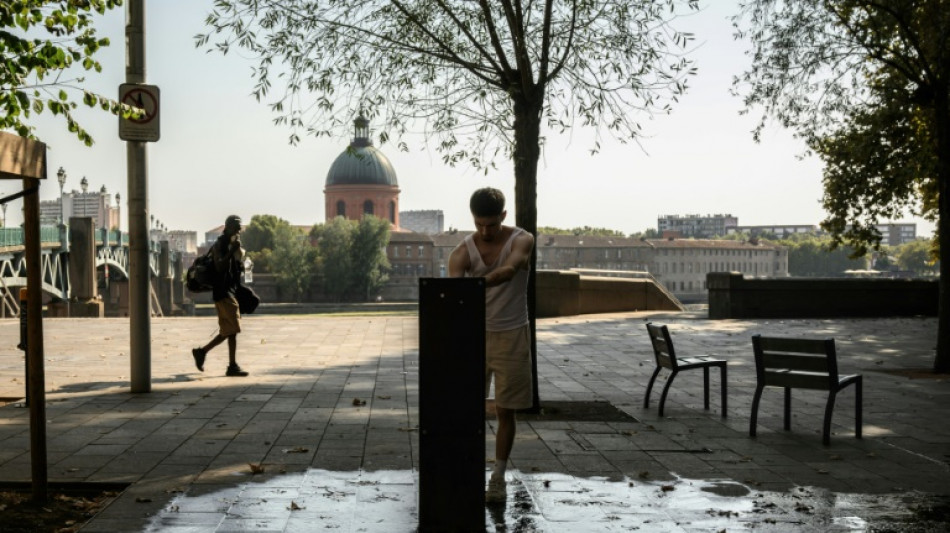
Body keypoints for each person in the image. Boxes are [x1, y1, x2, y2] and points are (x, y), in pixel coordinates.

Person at [448, 187, 535, 503]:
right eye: (479, 224)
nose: (485, 231)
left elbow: (510, 270)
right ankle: (467, 471)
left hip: (512, 334)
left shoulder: (522, 240)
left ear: (503, 217)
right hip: (475, 336)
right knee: (466, 410)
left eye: (491, 225)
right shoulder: (461, 252)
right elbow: (454, 301)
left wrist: (474, 286)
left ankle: (497, 477)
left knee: (505, 411)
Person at [192, 215, 249, 377]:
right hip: (223, 293)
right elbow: (220, 267)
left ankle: (202, 352)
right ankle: (231, 365)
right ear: (228, 227)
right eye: (236, 227)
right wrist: (231, 251)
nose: (239, 230)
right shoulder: (220, 245)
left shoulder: (231, 244)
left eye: (240, 227)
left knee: (228, 330)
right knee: (233, 329)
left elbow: (233, 269)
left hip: (228, 290)